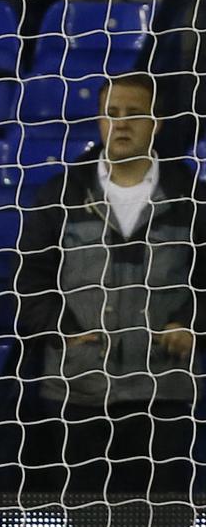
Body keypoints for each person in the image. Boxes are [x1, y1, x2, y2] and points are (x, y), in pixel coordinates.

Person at [18, 73, 202, 496]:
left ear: (157, 122)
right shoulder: (59, 194)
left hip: (165, 387)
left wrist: (189, 322)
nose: (120, 124)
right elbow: (30, 281)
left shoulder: (193, 197)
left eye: (134, 114)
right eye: (111, 114)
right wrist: (64, 331)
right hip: (79, 388)